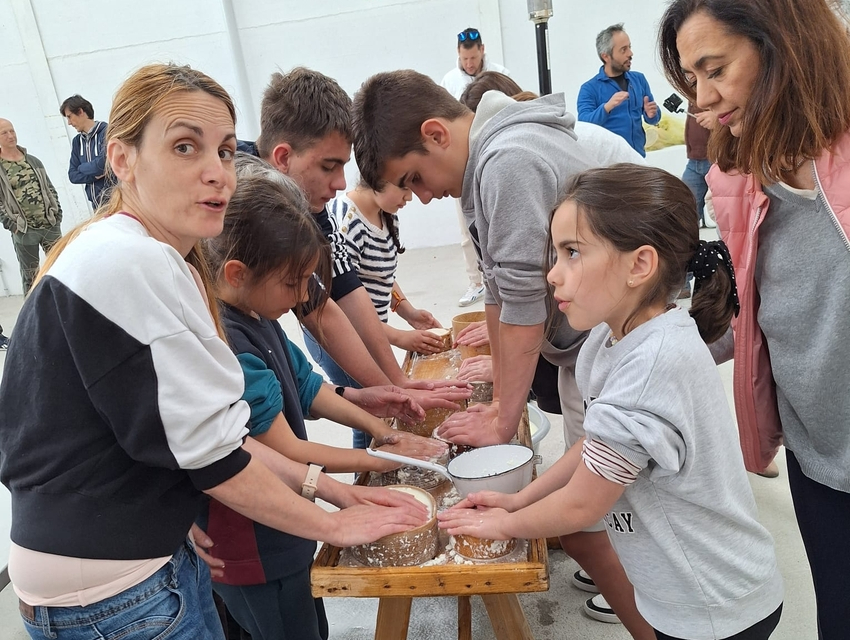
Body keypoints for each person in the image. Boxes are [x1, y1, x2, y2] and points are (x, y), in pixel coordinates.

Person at [0, 63, 427, 640]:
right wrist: (335, 523)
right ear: (121, 158)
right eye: (184, 146)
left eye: (225, 150)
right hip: (113, 594)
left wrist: (329, 491)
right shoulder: (135, 261)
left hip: (108, 572)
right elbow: (219, 459)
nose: (215, 172)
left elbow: (197, 440)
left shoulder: (132, 254)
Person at [351, 69, 654, 636]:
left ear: (436, 133)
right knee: (591, 516)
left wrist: (502, 417)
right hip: (593, 351)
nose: (422, 195)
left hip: (610, 354)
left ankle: (649, 620)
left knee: (597, 523)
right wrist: (499, 378)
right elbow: (500, 288)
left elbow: (522, 303)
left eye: (415, 177)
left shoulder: (507, 161)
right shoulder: (491, 158)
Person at [439, 164, 785, 640]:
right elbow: (592, 446)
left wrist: (505, 525)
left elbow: (582, 505)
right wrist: (519, 500)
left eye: (572, 253)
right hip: (685, 590)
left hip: (712, 603)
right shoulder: (608, 341)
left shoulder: (650, 369)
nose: (552, 274)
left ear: (639, 265)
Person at [658, 1, 850, 636]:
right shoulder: (739, 176)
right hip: (818, 457)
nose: (703, 99)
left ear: (784, 47)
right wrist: (650, 342)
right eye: (693, 79)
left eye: (716, 70)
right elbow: (757, 310)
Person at [200, 156, 446, 640]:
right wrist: (380, 458)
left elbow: (308, 386)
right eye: (292, 282)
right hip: (253, 543)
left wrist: (377, 422)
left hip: (288, 525)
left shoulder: (258, 314)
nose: (301, 297)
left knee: (309, 623)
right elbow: (287, 451)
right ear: (237, 273)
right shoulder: (227, 343)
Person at [250, 67, 468, 412]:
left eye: (343, 167)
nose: (340, 183)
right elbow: (318, 311)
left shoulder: (308, 203)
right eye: (328, 166)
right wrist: (392, 384)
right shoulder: (245, 200)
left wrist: (396, 382)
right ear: (283, 158)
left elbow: (341, 289)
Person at [441, 32, 510, 308]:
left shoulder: (500, 74)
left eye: (473, 57)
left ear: (482, 49)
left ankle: (502, 281)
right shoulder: (449, 81)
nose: (469, 63)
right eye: (464, 58)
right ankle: (477, 282)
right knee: (468, 228)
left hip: (497, 162)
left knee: (500, 225)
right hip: (465, 166)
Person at [577, 23, 661, 157]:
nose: (630, 54)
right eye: (623, 50)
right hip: (609, 162)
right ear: (606, 56)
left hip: (638, 158)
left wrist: (652, 114)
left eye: (630, 47)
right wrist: (607, 107)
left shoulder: (639, 79)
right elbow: (584, 125)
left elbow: (653, 119)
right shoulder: (589, 88)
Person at [0, 118, 62, 293]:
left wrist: (57, 214)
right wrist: (12, 224)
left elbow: (49, 188)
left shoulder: (33, 161)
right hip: (24, 230)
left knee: (62, 267)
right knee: (31, 277)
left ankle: (65, 305)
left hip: (50, 225)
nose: (10, 135)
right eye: (4, 133)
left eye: (12, 130)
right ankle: (33, 309)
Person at [60, 94, 111, 208]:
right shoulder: (77, 142)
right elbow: (72, 175)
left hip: (115, 202)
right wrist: (94, 177)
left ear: (80, 112)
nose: (69, 123)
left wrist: (81, 167)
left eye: (69, 117)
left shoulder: (107, 132)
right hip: (96, 206)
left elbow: (102, 164)